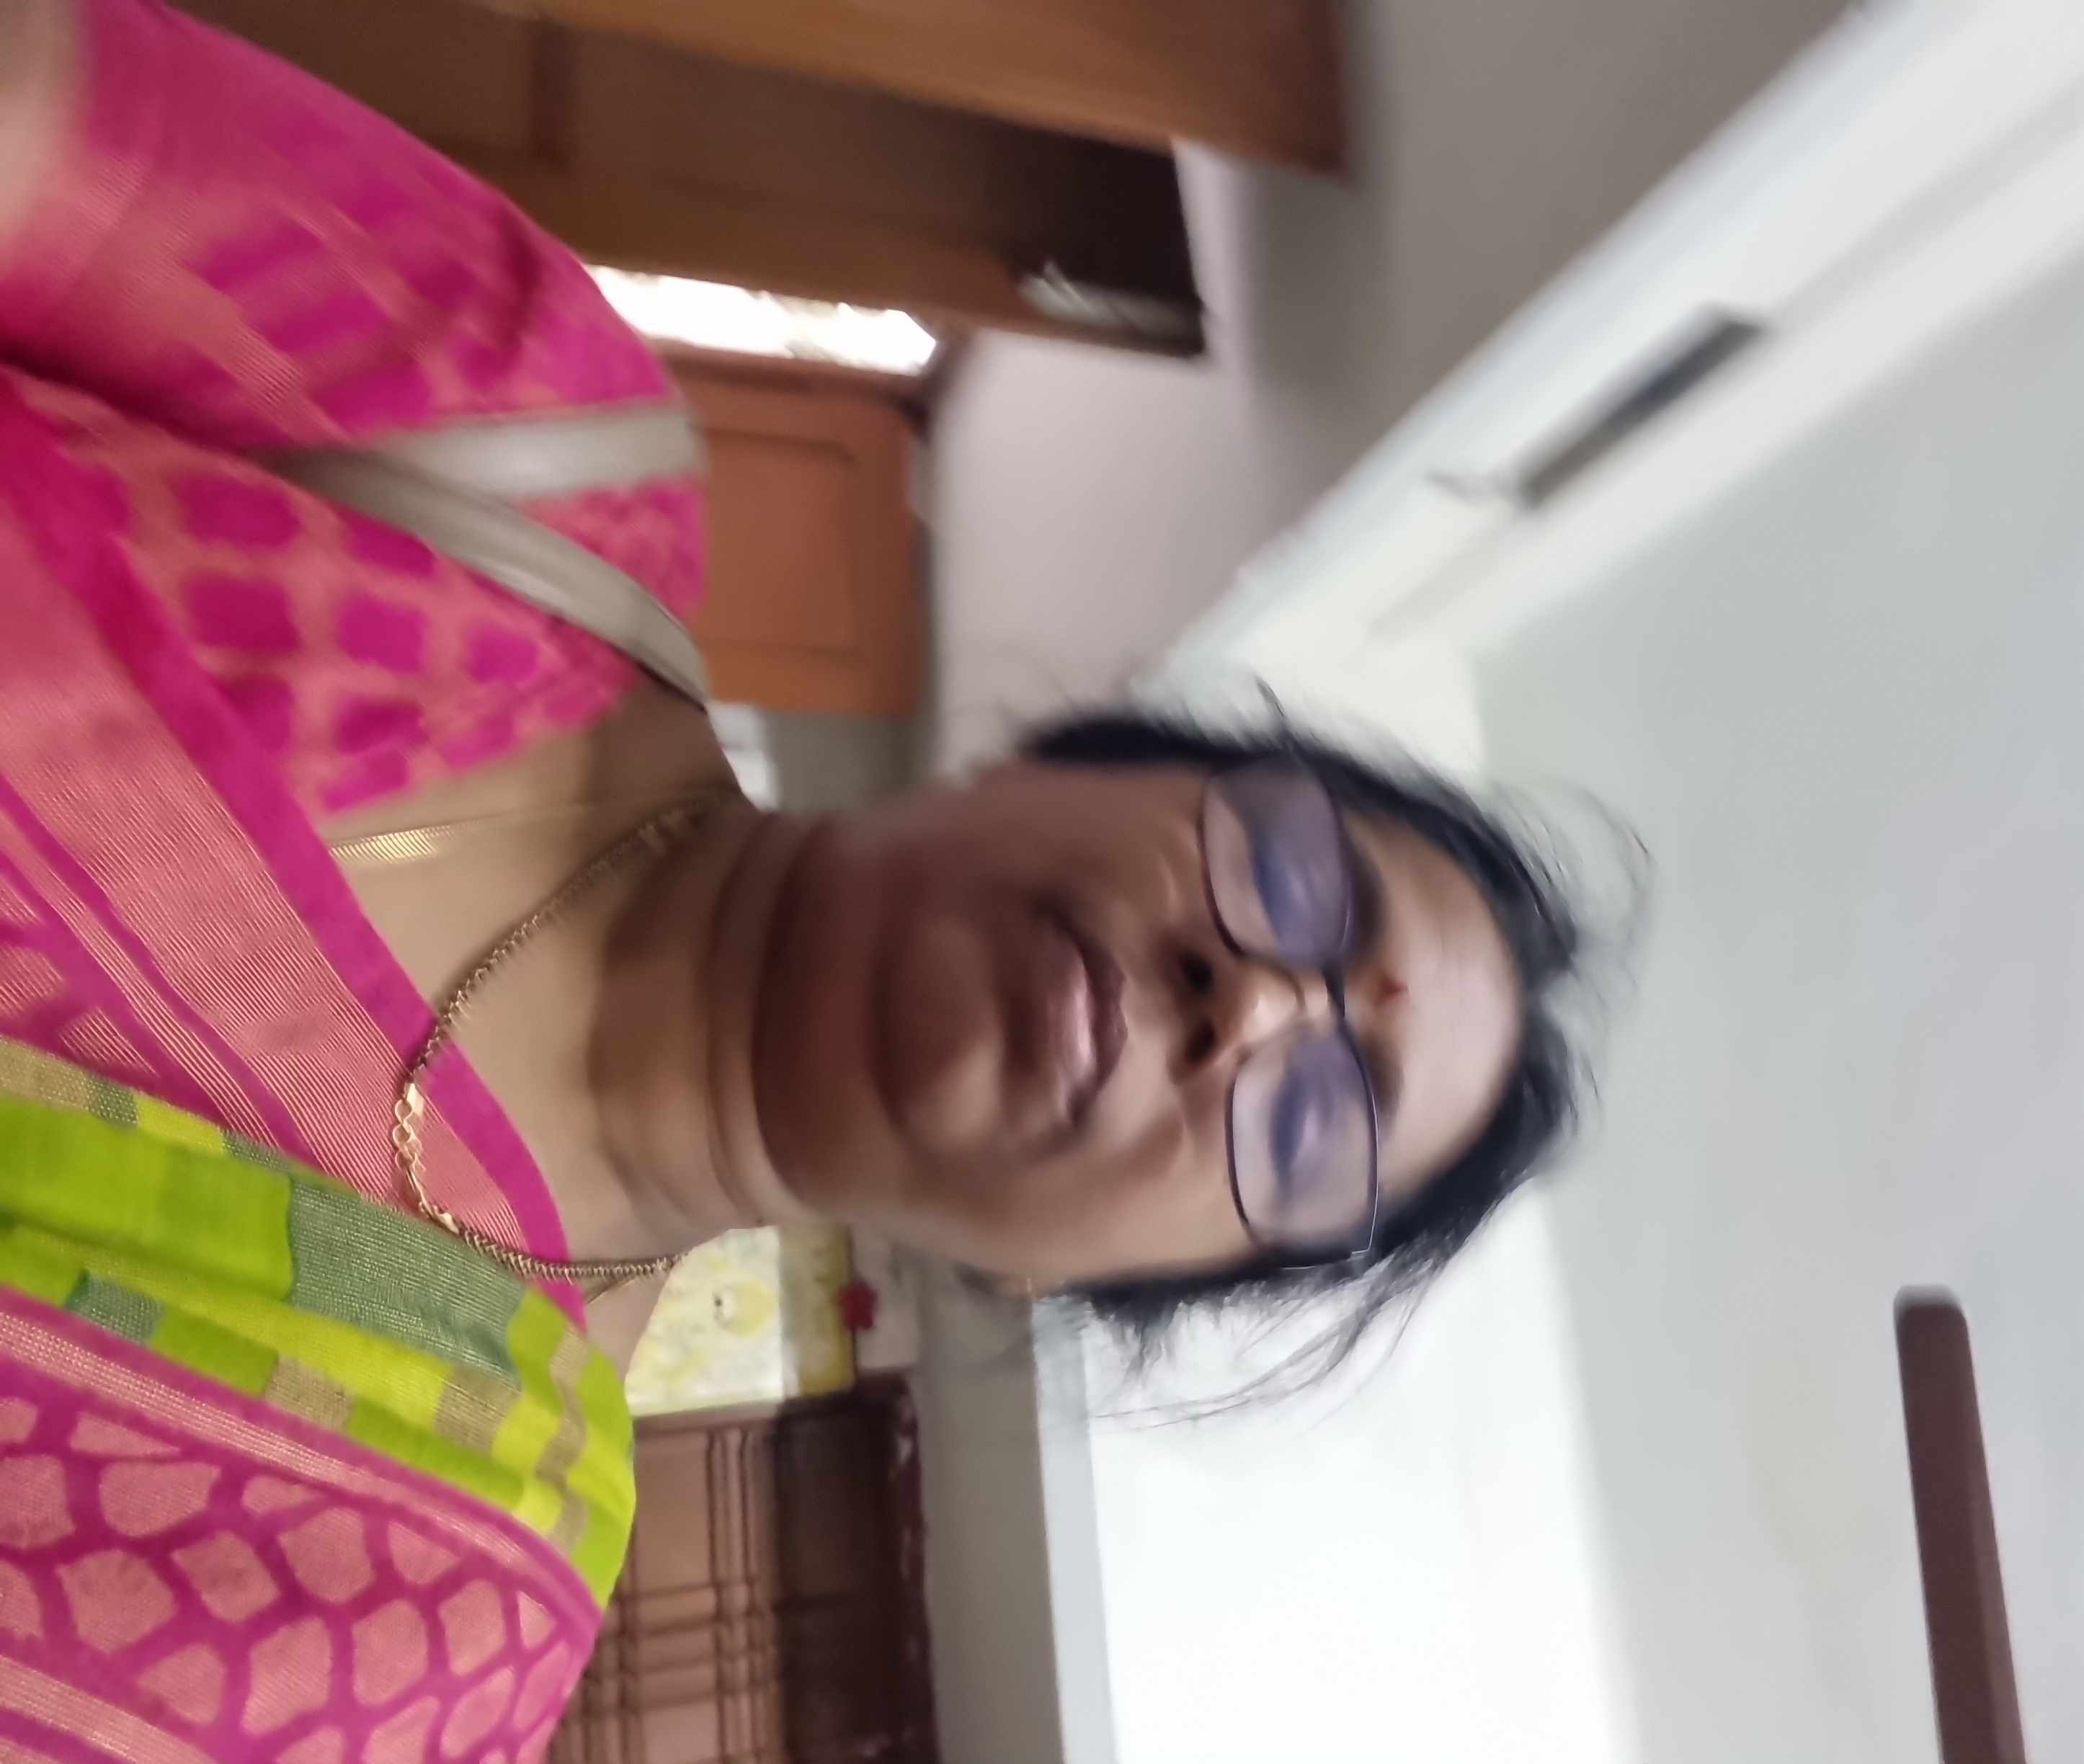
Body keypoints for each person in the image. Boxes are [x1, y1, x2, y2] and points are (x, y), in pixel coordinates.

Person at [0, 1, 1587, 1758]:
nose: (1260, 1001)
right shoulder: (519, 442)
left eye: (1311, 1129)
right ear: (1059, 762)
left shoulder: (426, 1620)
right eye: (1295, 876)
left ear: (1071, 1281)